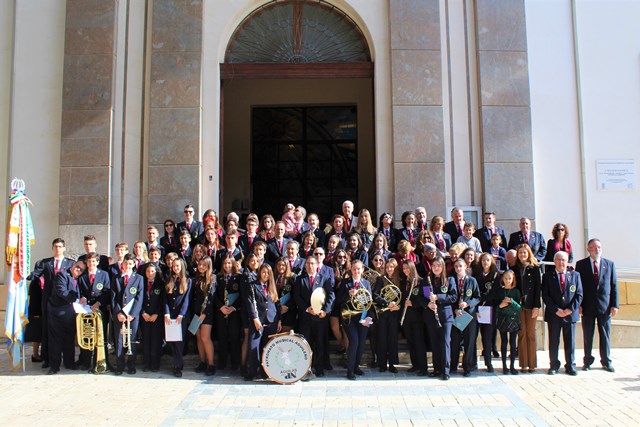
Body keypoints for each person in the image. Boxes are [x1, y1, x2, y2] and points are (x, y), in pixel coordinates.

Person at [27, 238, 75, 369]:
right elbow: (35, 275)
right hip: (49, 302)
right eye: (56, 246)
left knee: (67, 333)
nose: (58, 249)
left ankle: (68, 361)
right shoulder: (45, 263)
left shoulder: (70, 263)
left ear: (64, 248)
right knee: (47, 331)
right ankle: (47, 359)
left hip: (65, 304)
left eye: (60, 247)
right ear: (52, 248)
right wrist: (23, 275)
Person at [576, 238, 618, 372]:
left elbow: (614, 286)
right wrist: (579, 305)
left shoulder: (609, 264)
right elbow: (579, 287)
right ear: (588, 249)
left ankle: (606, 361)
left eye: (599, 247)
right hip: (587, 306)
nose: (597, 249)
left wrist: (614, 305)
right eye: (593, 247)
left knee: (605, 334)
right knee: (588, 334)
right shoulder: (581, 265)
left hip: (604, 307)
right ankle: (587, 361)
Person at [542, 251, 583, 376]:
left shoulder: (575, 275)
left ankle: (570, 365)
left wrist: (570, 310)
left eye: (564, 260)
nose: (561, 262)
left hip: (570, 314)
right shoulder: (547, 276)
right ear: (554, 262)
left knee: (570, 341)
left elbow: (579, 294)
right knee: (554, 341)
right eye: (558, 260)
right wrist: (556, 310)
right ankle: (554, 364)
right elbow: (545, 295)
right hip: (555, 315)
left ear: (567, 261)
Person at [294, 255, 335, 378]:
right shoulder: (300, 279)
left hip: (320, 318)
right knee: (306, 344)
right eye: (308, 264)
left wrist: (325, 311)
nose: (310, 266)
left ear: (317, 265)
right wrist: (307, 309)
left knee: (320, 343)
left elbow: (331, 295)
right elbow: (297, 297)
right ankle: (307, 367)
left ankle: (319, 367)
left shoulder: (324, 279)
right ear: (305, 266)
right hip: (306, 317)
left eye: (313, 263)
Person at [46, 260, 86, 374]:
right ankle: (54, 366)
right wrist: (78, 300)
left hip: (71, 313)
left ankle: (69, 363)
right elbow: (62, 292)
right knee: (56, 340)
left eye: (81, 269)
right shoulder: (62, 275)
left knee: (69, 339)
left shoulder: (79, 279)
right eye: (77, 266)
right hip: (58, 311)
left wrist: (83, 299)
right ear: (73, 265)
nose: (78, 270)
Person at [244, 263, 282, 381]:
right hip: (257, 321)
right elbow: (250, 303)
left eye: (268, 273)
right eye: (264, 272)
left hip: (271, 321)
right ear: (260, 272)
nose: (266, 275)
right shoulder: (252, 286)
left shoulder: (272, 286)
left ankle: (265, 371)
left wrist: (279, 320)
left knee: (267, 347)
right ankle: (252, 371)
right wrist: (255, 318)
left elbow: (276, 304)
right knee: (253, 346)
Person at [424, 257, 457, 380]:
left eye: (438, 265)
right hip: (431, 315)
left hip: (446, 316)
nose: (436, 268)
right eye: (434, 266)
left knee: (445, 342)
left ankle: (446, 370)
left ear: (442, 267)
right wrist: (428, 303)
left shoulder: (449, 280)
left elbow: (453, 297)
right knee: (434, 343)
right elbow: (424, 296)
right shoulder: (427, 281)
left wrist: (438, 297)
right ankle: (437, 369)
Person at [77, 252, 111, 371]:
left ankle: (100, 361)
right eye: (89, 261)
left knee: (100, 336)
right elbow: (79, 291)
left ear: (97, 262)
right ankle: (86, 362)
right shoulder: (82, 276)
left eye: (93, 261)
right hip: (86, 309)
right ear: (86, 262)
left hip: (99, 309)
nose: (91, 263)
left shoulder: (104, 275)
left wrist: (98, 303)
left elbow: (106, 291)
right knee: (87, 335)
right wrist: (83, 298)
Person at [340, 260, 374, 380]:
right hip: (349, 318)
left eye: (358, 269)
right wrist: (349, 295)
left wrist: (368, 318)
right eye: (354, 269)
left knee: (361, 344)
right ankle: (350, 370)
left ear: (362, 270)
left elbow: (369, 302)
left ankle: (356, 366)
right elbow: (339, 300)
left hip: (363, 318)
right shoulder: (346, 283)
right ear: (351, 270)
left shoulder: (366, 283)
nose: (356, 271)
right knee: (354, 341)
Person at [111, 254, 144, 375]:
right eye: (126, 263)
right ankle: (119, 366)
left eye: (130, 264)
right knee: (119, 340)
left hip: (132, 316)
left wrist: (133, 314)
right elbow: (114, 298)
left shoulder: (139, 278)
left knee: (132, 339)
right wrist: (118, 312)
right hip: (120, 315)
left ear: (134, 265)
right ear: (123, 264)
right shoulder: (116, 278)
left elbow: (139, 298)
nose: (128, 266)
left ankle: (131, 365)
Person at [513, 244, 542, 373]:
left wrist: (537, 305)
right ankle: (523, 364)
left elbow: (538, 289)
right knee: (522, 333)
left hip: (531, 305)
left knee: (531, 334)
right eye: (520, 253)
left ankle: (532, 364)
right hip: (519, 306)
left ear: (528, 253)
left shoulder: (535, 269)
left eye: (524, 253)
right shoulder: (514, 268)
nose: (522, 255)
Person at [450, 259, 480, 377]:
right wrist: (455, 309)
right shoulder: (451, 280)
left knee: (469, 341)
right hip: (457, 315)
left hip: (468, 315)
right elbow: (450, 297)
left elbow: (477, 297)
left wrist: (467, 304)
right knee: (455, 341)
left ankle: (467, 366)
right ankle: (453, 365)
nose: (458, 268)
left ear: (465, 267)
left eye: (460, 266)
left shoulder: (472, 281)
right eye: (456, 266)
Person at [164, 257, 192, 377]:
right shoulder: (168, 279)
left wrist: (182, 314)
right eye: (174, 266)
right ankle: (175, 363)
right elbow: (165, 299)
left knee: (179, 341)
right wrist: (167, 313)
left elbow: (187, 299)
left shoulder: (188, 281)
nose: (175, 268)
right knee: (172, 341)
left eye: (177, 266)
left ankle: (178, 366)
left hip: (181, 316)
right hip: (170, 315)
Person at [214, 256, 243, 371]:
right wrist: (220, 306)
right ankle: (222, 363)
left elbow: (242, 294)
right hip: (221, 312)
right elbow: (214, 294)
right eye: (225, 263)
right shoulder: (218, 278)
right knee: (222, 338)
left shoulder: (238, 277)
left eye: (229, 263)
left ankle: (235, 363)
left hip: (234, 313)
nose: (227, 266)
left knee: (234, 338)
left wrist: (234, 307)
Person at [400, 260, 428, 376]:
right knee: (411, 341)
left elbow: (427, 299)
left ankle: (423, 367)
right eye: (404, 268)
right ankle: (415, 364)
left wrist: (414, 303)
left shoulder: (423, 282)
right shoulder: (403, 283)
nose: (406, 270)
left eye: (408, 268)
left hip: (418, 318)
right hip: (406, 318)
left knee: (419, 342)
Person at [473, 253, 500, 372]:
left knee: (487, 337)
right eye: (483, 260)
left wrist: (482, 299)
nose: (485, 262)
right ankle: (472, 362)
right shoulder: (476, 275)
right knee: (472, 336)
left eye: (488, 260)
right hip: (475, 309)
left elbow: (494, 294)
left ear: (491, 262)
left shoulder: (496, 276)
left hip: (488, 309)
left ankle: (488, 363)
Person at [374, 258, 401, 373]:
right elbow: (375, 295)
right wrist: (387, 303)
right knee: (382, 338)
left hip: (394, 313)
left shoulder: (400, 280)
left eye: (392, 267)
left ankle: (392, 364)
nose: (389, 269)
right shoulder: (381, 279)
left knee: (392, 339)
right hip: (384, 312)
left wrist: (398, 306)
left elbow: (402, 296)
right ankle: (382, 364)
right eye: (387, 267)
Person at [191, 256, 217, 376]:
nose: (201, 267)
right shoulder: (196, 278)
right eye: (199, 264)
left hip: (207, 313)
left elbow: (211, 298)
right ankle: (202, 362)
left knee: (205, 338)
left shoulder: (212, 278)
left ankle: (211, 364)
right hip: (196, 313)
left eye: (203, 265)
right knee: (199, 338)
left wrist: (204, 313)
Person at [495, 270, 522, 375]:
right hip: (503, 320)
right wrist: (500, 306)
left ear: (513, 279)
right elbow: (496, 308)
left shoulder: (516, 292)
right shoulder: (499, 291)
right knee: (504, 342)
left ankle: (512, 366)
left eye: (509, 278)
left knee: (512, 342)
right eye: (505, 278)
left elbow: (519, 308)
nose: (507, 280)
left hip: (513, 320)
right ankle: (504, 366)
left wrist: (511, 302)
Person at [140, 263, 164, 373]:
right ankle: (146, 363)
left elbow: (163, 302)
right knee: (146, 340)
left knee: (155, 340)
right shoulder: (141, 283)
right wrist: (143, 312)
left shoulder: (161, 284)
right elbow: (138, 300)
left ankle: (155, 363)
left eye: (152, 271)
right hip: (144, 316)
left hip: (156, 317)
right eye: (148, 271)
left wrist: (157, 313)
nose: (150, 274)